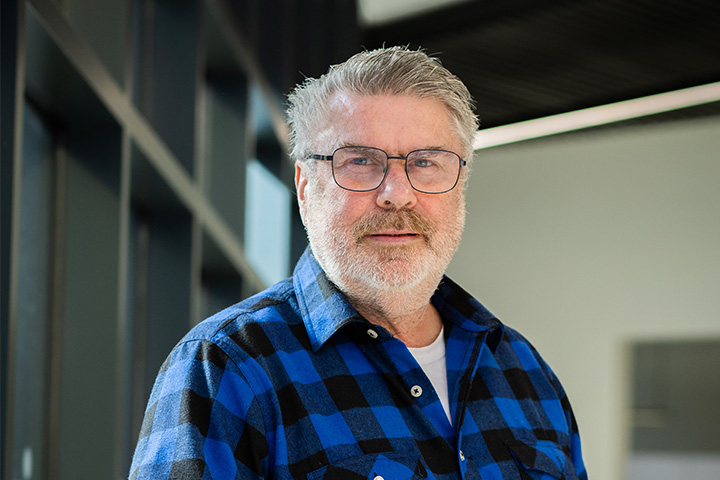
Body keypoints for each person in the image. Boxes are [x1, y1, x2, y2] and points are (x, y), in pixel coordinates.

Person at [129, 46, 587, 480]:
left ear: (460, 183)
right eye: (361, 162)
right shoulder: (228, 366)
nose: (397, 194)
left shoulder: (526, 372)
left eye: (426, 162)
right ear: (306, 186)